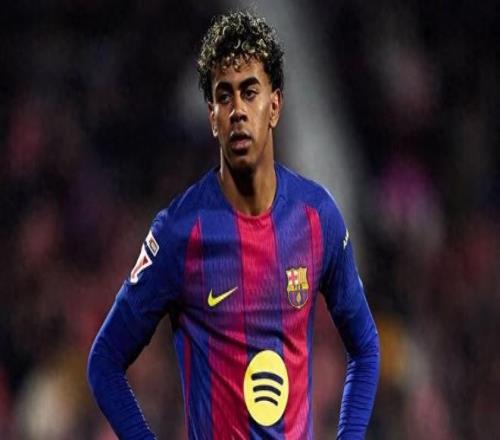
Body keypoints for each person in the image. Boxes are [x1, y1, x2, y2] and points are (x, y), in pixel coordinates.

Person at [87, 10, 379, 439]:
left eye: (250, 92)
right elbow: (104, 361)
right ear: (212, 116)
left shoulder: (318, 218)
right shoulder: (179, 232)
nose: (238, 110)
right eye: (224, 96)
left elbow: (365, 347)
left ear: (274, 105)